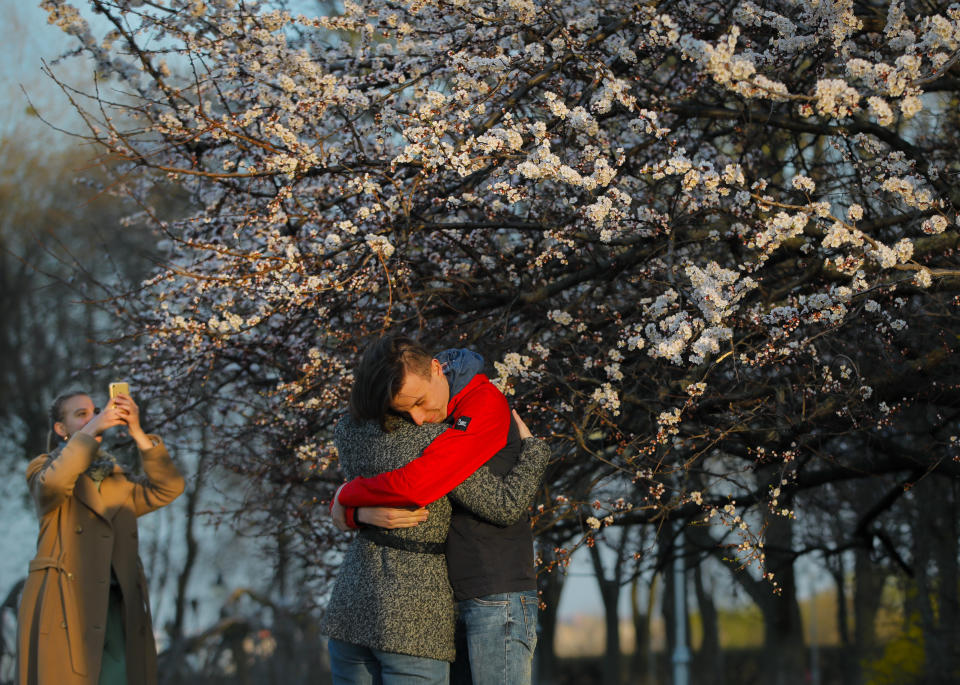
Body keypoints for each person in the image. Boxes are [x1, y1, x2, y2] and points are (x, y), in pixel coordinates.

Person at [330, 335, 547, 685]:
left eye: (419, 402)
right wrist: (356, 511)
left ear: (436, 368)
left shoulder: (483, 404)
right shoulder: (435, 413)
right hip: (450, 593)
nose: (417, 419)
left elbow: (418, 485)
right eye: (405, 411)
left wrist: (346, 494)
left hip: (494, 589)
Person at [16, 390, 185, 685]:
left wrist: (137, 432)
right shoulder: (42, 468)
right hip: (66, 607)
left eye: (95, 411)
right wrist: (93, 428)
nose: (94, 417)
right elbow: (54, 485)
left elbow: (168, 489)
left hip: (117, 610)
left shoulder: (120, 481)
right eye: (81, 415)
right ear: (60, 429)